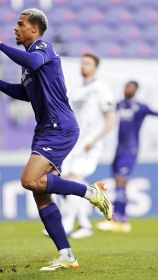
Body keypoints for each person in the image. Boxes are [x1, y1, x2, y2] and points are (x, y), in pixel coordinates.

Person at [0, 8, 113, 270]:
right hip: (46, 129)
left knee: (29, 180)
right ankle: (67, 256)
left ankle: (92, 192)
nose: (15, 29)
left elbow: (32, 63)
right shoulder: (32, 62)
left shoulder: (43, 48)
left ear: (34, 28)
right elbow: (25, 92)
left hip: (60, 127)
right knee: (39, 192)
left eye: (20, 24)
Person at [97, 81, 158, 233]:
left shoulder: (140, 107)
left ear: (135, 90)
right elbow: (103, 110)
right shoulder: (119, 105)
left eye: (130, 87)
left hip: (131, 148)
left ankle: (119, 221)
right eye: (125, 87)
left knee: (122, 183)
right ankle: (122, 220)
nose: (126, 89)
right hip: (119, 148)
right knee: (118, 184)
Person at [47, 54, 116, 239]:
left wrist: (95, 140)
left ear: (95, 67)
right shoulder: (77, 92)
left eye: (88, 63)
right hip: (74, 144)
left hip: (89, 144)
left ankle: (67, 224)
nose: (83, 66)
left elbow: (112, 118)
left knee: (73, 179)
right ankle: (85, 225)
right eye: (82, 63)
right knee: (66, 181)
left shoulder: (101, 89)